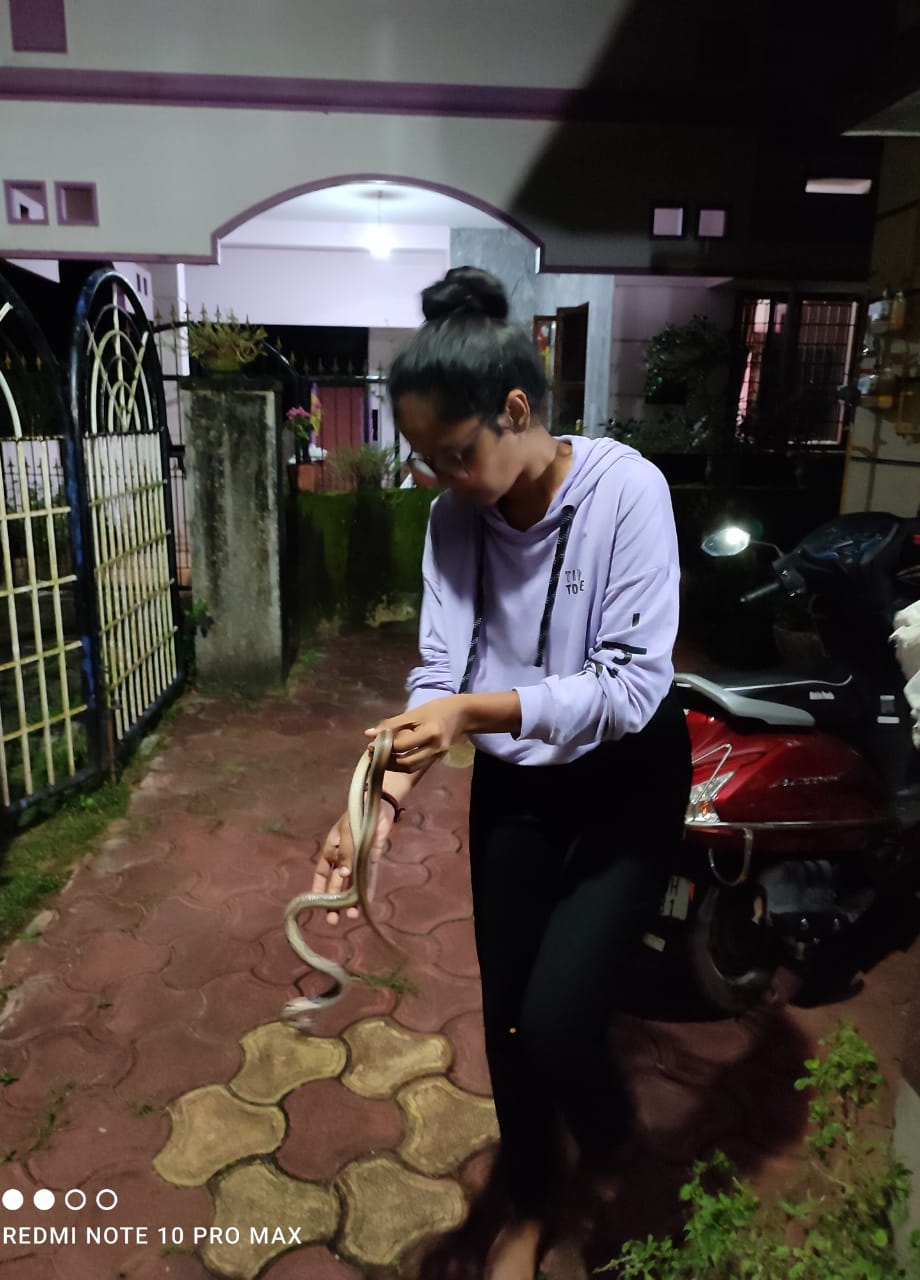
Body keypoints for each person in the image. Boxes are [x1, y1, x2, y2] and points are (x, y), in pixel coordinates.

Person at [315, 267, 692, 1280]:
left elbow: (626, 686)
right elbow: (438, 675)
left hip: (627, 776)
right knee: (510, 1012)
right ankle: (531, 1192)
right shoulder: (455, 522)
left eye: (458, 454)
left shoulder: (627, 491)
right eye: (428, 461)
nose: (445, 479)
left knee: (566, 1018)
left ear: (516, 409)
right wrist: (375, 805)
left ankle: (608, 1136)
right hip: (521, 780)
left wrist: (472, 713)